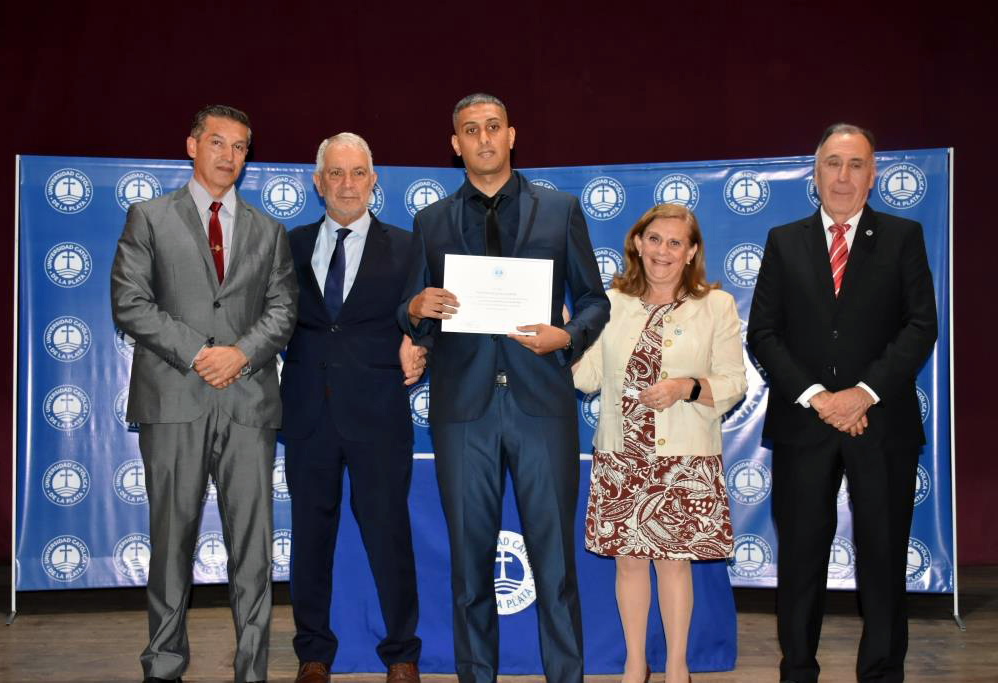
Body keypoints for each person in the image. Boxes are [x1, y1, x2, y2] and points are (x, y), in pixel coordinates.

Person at [397, 93, 610, 683]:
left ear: (512, 135)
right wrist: (414, 309)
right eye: (470, 129)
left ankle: (565, 677)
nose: (484, 138)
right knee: (469, 568)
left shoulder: (560, 209)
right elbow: (416, 310)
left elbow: (594, 300)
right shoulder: (431, 221)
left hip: (541, 406)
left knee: (555, 564)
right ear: (455, 143)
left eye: (493, 127)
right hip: (463, 411)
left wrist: (565, 336)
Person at [110, 104, 298, 683]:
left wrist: (239, 354)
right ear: (192, 145)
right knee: (170, 544)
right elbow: (130, 302)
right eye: (218, 142)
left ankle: (252, 671)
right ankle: (163, 667)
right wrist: (199, 352)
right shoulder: (148, 217)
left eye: (241, 146)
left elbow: (283, 308)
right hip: (174, 400)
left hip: (247, 403)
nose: (229, 156)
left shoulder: (269, 230)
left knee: (253, 553)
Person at [747, 123, 938, 683]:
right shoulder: (784, 240)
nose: (843, 176)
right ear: (815, 172)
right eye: (833, 163)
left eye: (856, 165)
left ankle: (881, 672)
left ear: (873, 176)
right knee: (802, 562)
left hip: (881, 425)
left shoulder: (903, 237)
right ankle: (798, 670)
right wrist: (818, 398)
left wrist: (862, 394)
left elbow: (920, 326)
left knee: (882, 560)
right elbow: (764, 333)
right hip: (804, 426)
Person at [573, 203, 746, 683]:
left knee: (673, 564)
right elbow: (586, 377)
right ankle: (634, 665)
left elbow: (733, 382)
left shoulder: (717, 306)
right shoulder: (610, 303)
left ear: (691, 252)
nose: (662, 251)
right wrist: (559, 335)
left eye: (675, 242)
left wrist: (685, 386)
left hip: (683, 458)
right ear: (637, 243)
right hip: (621, 455)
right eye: (654, 239)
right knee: (629, 563)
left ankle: (676, 668)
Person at [279, 132, 425, 683]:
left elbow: (428, 318)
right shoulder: (287, 245)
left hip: (380, 415)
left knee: (390, 536)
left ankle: (402, 653)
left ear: (373, 181)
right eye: (335, 174)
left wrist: (423, 345)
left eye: (357, 173)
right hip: (307, 414)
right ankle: (312, 653)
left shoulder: (410, 248)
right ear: (318, 183)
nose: (346, 184)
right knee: (311, 540)